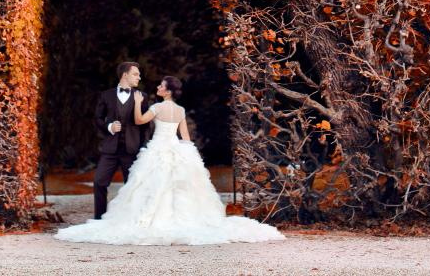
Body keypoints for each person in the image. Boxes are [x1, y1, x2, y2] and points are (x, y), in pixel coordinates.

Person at [55, 75, 285, 246]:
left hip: (157, 149)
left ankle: (151, 220)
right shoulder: (180, 110)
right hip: (176, 148)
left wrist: (136, 101)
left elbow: (139, 119)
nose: (157, 88)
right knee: (180, 188)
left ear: (166, 91)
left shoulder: (156, 106)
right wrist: (188, 155)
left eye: (160, 86)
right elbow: (184, 136)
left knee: (150, 186)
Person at [89, 61, 148, 220]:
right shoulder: (106, 95)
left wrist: (143, 147)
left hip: (132, 150)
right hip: (110, 150)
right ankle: (99, 220)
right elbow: (97, 118)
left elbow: (145, 126)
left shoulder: (142, 97)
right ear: (124, 75)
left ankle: (131, 220)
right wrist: (109, 127)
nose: (139, 77)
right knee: (99, 182)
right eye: (135, 74)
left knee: (132, 187)